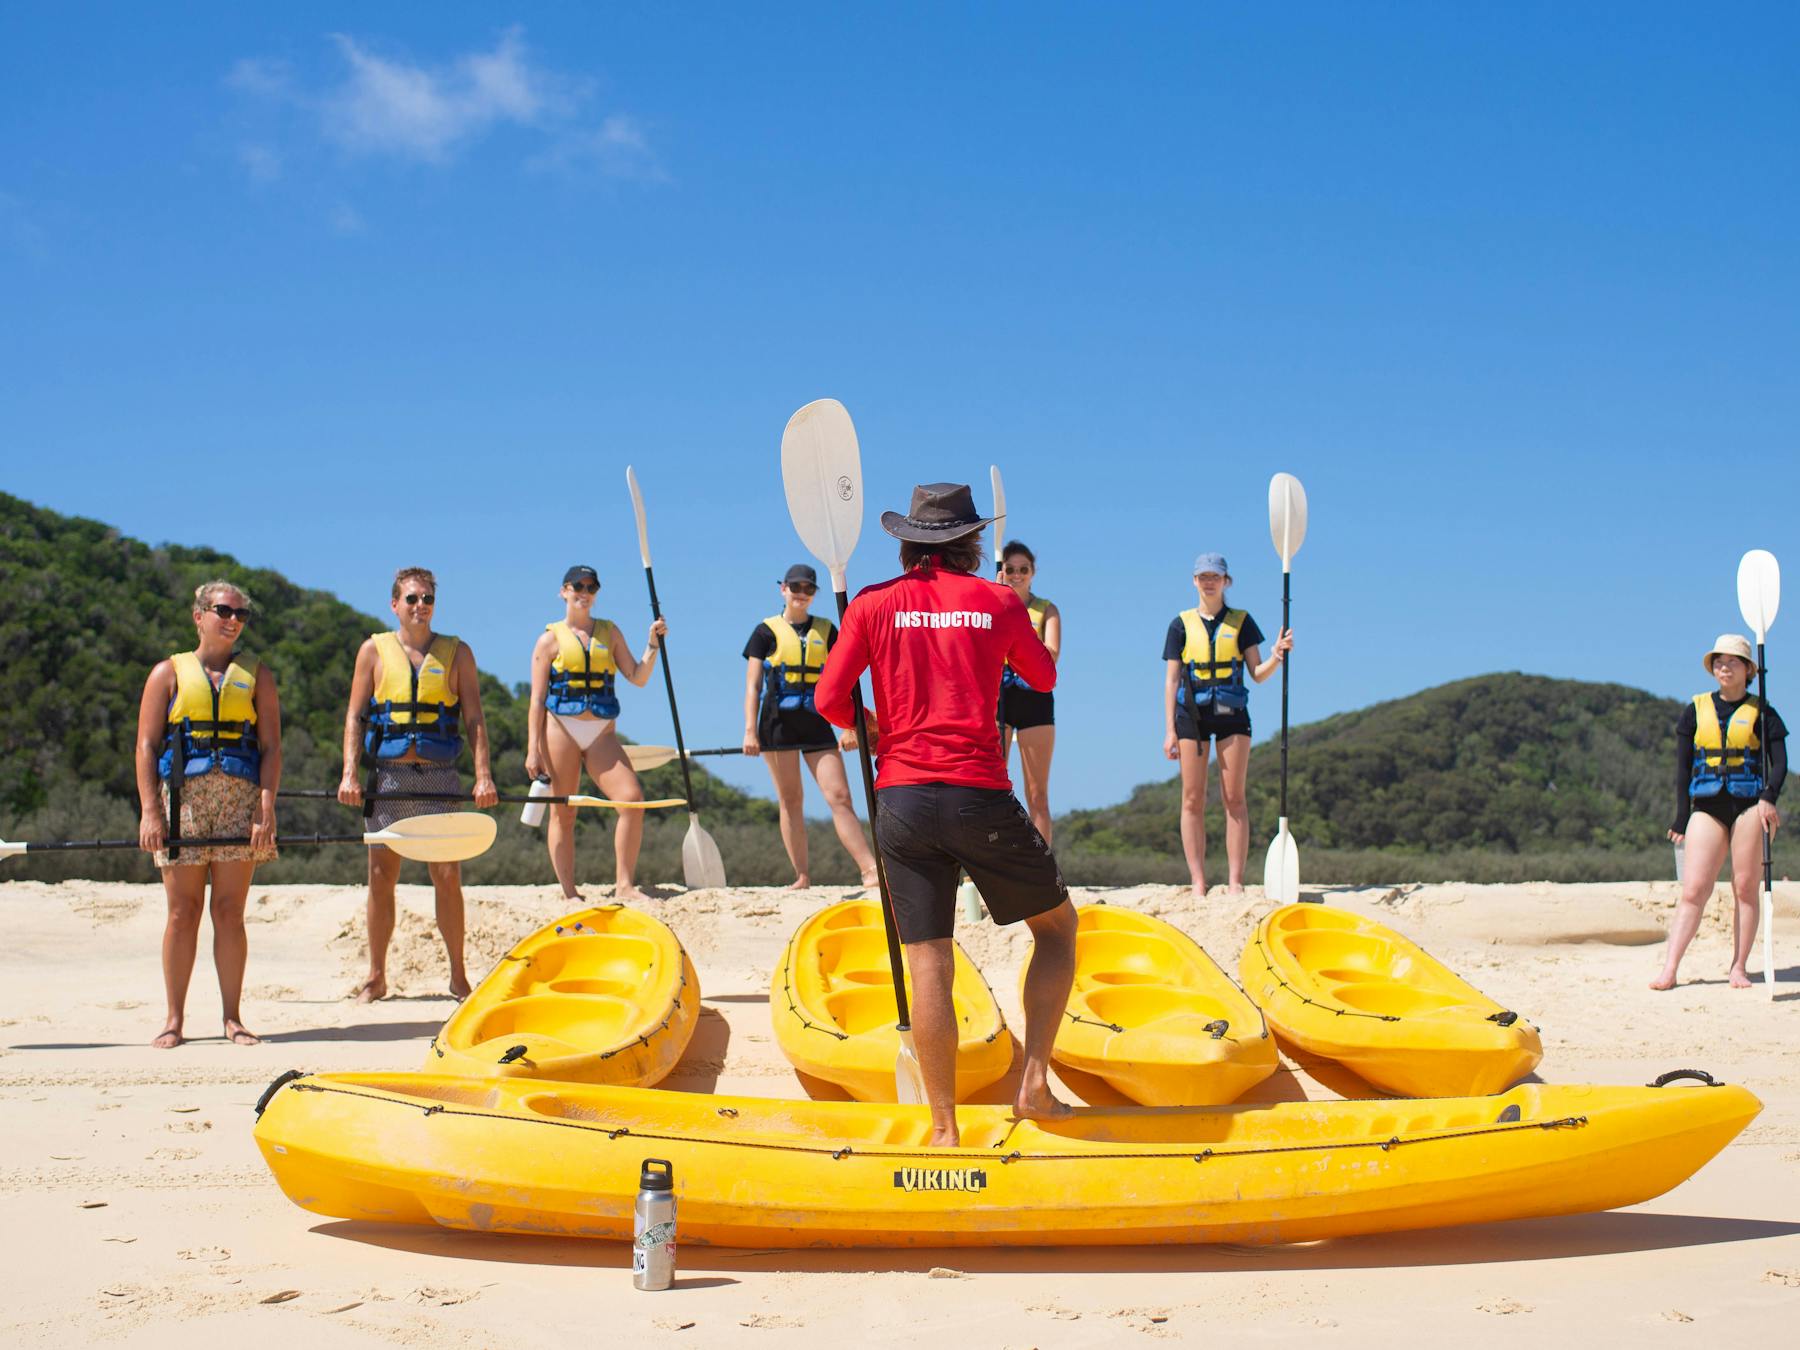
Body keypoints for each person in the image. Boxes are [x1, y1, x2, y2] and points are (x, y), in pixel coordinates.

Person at [814, 483, 1077, 1148]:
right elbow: (1043, 678)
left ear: (907, 542)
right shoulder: (997, 600)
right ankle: (1035, 1085)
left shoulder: (873, 603)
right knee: (1057, 930)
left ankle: (943, 1128)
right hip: (976, 793)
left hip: (899, 799)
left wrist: (867, 722)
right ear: (973, 543)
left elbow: (827, 698)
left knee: (929, 961)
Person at [337, 567, 498, 1001]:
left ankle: (458, 975)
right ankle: (376, 975)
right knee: (380, 875)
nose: (420, 606)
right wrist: (349, 772)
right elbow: (355, 715)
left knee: (447, 874)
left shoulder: (457, 653)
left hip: (440, 777)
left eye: (427, 598)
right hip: (388, 777)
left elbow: (475, 719)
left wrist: (483, 776)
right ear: (395, 604)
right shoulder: (372, 652)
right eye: (411, 598)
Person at [134, 580, 281, 1048]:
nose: (233, 620)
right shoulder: (167, 674)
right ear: (199, 615)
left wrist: (266, 809)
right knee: (183, 912)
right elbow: (145, 746)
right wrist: (150, 811)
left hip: (239, 803)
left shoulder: (257, 675)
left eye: (241, 614)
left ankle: (232, 1018)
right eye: (223, 610)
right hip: (184, 804)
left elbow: (272, 748)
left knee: (230, 911)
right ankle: (174, 1019)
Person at [524, 565, 668, 903]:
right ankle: (569, 892)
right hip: (560, 729)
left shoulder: (610, 632)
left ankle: (625, 885)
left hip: (602, 731)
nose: (584, 592)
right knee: (564, 811)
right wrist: (533, 749)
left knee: (631, 801)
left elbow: (637, 675)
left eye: (591, 587)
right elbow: (536, 700)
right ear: (564, 591)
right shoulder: (549, 640)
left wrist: (653, 644)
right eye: (578, 586)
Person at [1655, 634, 1786, 990]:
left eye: (1732, 661)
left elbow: (1779, 763)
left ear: (1748, 669)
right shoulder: (1695, 709)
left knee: (1745, 888)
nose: (1723, 666)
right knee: (1694, 889)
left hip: (1749, 806)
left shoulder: (1764, 712)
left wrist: (1769, 797)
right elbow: (1682, 769)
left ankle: (1739, 967)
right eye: (1718, 661)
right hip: (1707, 807)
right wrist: (1681, 817)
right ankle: (1669, 969)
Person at [1162, 552, 1293, 899]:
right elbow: (1171, 680)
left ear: (1225, 581)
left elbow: (1258, 674)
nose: (1208, 581)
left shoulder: (1241, 622)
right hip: (1191, 715)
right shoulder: (1180, 625)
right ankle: (1198, 881)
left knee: (1234, 797)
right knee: (1192, 798)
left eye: (1215, 576)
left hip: (1233, 714)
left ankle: (1235, 881)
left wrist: (1277, 656)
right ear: (1194, 581)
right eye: (1203, 576)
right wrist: (1169, 731)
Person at [742, 563, 881, 889]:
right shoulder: (765, 632)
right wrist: (749, 730)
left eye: (808, 589)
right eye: (795, 588)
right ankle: (802, 876)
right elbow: (753, 685)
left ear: (815, 593)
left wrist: (851, 728)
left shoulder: (828, 630)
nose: (801, 594)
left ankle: (870, 869)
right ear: (783, 589)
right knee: (791, 800)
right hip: (776, 726)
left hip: (818, 723)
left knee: (840, 796)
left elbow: (847, 679)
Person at [996, 541, 1061, 843]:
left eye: (1024, 569)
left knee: (1038, 793)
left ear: (1033, 572)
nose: (1017, 575)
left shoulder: (1046, 609)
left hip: (1035, 697)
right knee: (993, 788)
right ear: (1002, 571)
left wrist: (1018, 639)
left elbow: (1052, 654)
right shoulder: (991, 603)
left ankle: (1044, 868)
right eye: (1011, 569)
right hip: (998, 697)